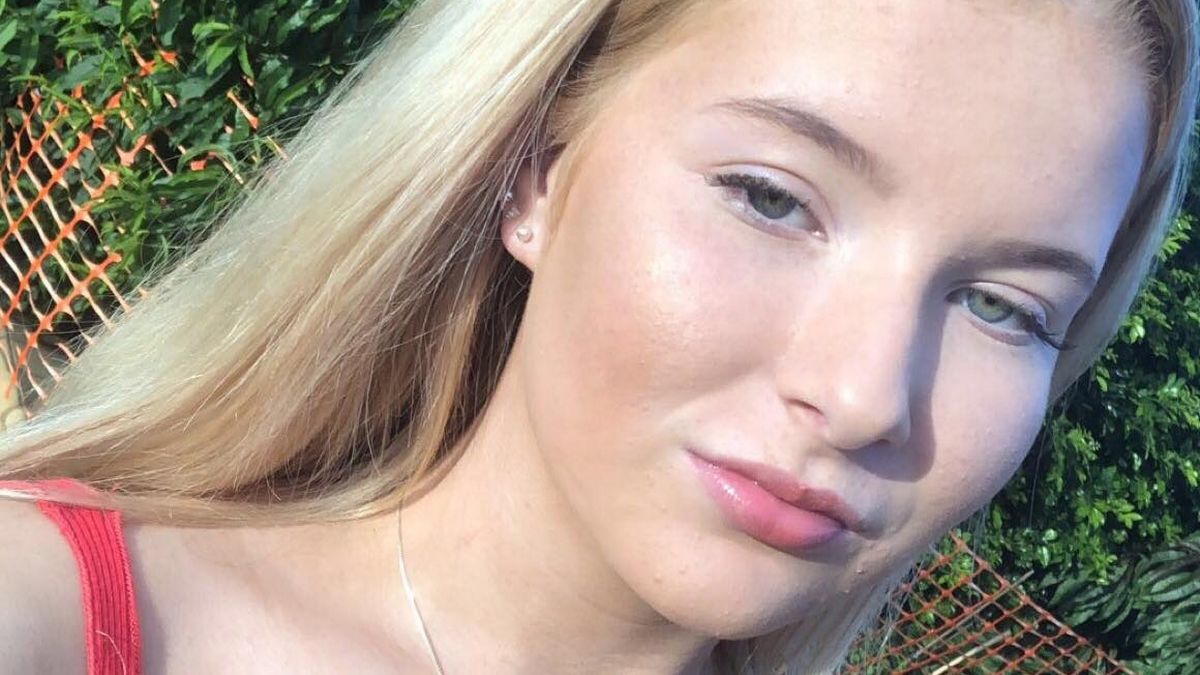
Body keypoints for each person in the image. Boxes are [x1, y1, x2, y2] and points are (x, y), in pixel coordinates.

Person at [0, 0, 1196, 673]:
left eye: (1002, 306)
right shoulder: (54, 616)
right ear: (537, 167)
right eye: (770, 197)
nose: (867, 396)